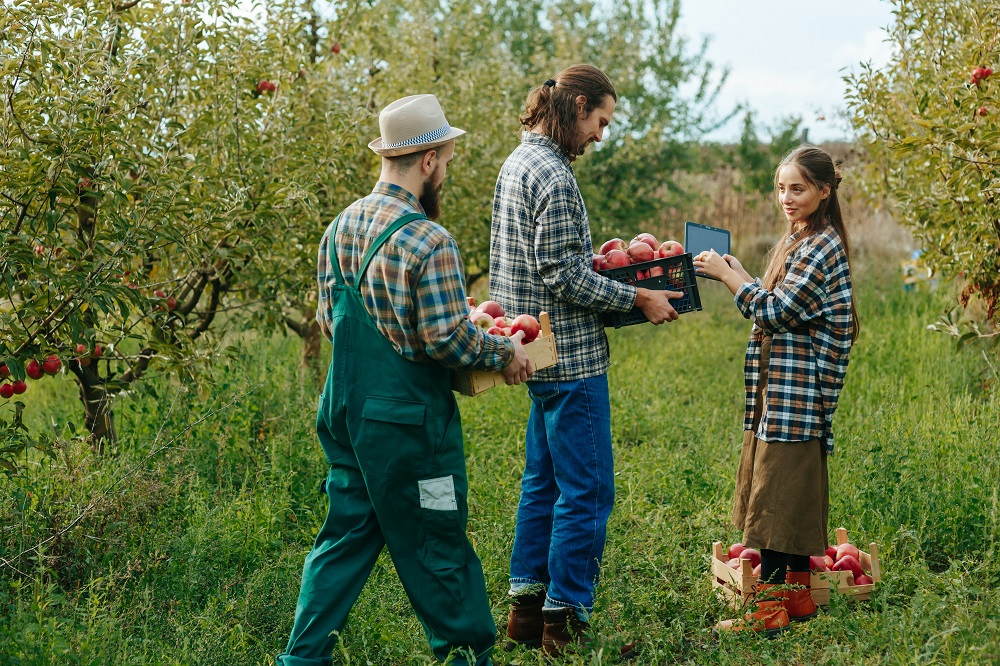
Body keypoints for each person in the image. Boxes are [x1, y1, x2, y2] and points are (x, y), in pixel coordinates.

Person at [276, 94, 533, 666]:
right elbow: (447, 341)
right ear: (428, 161)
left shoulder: (339, 227)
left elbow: (330, 320)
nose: (444, 169)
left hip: (345, 417)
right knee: (436, 537)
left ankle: (301, 658)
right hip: (410, 433)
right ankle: (467, 656)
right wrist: (503, 351)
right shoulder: (429, 241)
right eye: (444, 158)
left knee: (343, 536)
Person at [489, 64, 682, 658]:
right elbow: (563, 273)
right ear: (576, 107)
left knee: (542, 484)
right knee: (587, 491)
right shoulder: (554, 174)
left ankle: (525, 612)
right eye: (601, 121)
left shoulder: (517, 164)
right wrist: (637, 295)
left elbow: (534, 267)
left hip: (534, 352)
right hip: (570, 361)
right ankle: (564, 618)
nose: (601, 135)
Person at [693, 144, 859, 636]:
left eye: (798, 189)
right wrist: (741, 271)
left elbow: (775, 312)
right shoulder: (804, 238)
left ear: (824, 191)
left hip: (798, 396)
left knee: (776, 503)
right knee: (786, 495)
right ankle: (798, 597)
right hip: (785, 394)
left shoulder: (821, 245)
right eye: (781, 188)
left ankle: (766, 612)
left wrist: (728, 279)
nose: (786, 198)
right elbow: (774, 297)